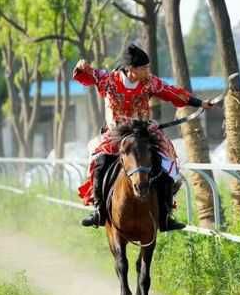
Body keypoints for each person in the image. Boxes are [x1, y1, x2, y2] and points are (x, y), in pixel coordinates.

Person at [73, 43, 213, 231]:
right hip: (116, 134)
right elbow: (87, 74)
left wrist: (200, 103)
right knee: (99, 161)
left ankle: (165, 214)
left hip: (143, 132)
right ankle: (99, 210)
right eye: (144, 68)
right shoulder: (108, 79)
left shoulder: (150, 82)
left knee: (168, 158)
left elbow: (171, 92)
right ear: (131, 69)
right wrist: (81, 66)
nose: (148, 71)